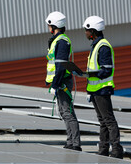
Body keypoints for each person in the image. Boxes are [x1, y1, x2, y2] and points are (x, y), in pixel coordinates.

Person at [81, 15, 123, 158]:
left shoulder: (103, 46)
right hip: (95, 90)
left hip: (102, 90)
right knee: (103, 122)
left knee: (109, 121)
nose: (85, 33)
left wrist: (89, 75)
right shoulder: (96, 45)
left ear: (93, 31)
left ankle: (116, 151)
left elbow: (106, 70)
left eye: (87, 30)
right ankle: (103, 150)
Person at [45, 11, 82, 151]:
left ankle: (75, 144)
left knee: (67, 112)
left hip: (62, 81)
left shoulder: (61, 41)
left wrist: (55, 84)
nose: (48, 28)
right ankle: (71, 142)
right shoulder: (58, 40)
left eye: (49, 25)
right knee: (63, 112)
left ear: (53, 26)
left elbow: (60, 65)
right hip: (60, 81)